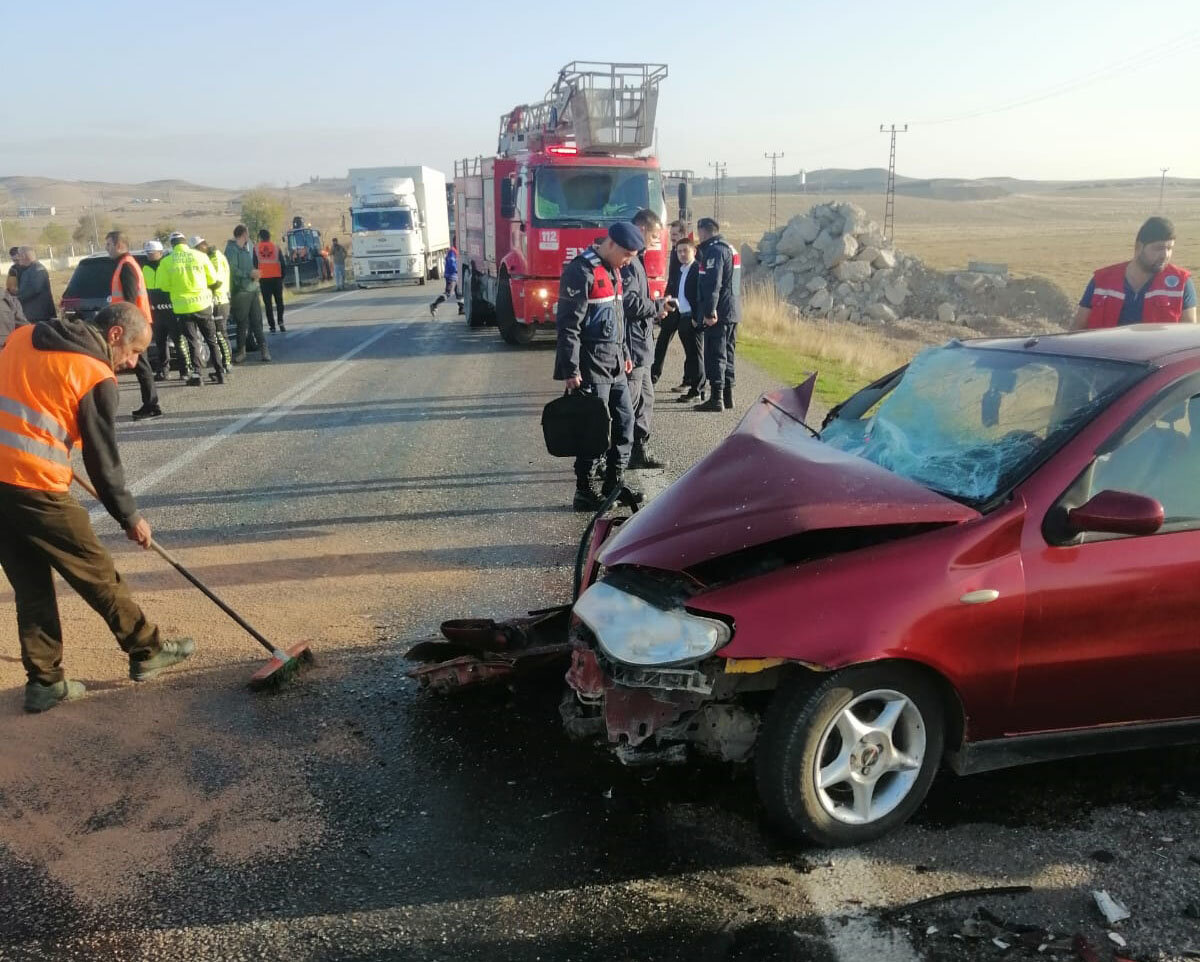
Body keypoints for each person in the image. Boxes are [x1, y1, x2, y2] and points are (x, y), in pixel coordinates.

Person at [0, 302, 195, 712]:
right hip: (35, 486)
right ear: (115, 334)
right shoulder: (94, 374)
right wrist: (129, 517)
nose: (133, 363)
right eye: (134, 351)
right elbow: (102, 461)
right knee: (97, 574)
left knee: (31, 587)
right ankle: (146, 649)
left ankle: (44, 683)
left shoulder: (22, 336)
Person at [555, 222, 645, 511]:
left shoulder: (613, 270)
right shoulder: (581, 271)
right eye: (627, 255)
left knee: (625, 423)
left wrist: (625, 352)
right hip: (591, 366)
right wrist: (571, 370)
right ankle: (585, 490)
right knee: (594, 431)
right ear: (611, 244)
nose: (628, 262)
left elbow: (618, 317)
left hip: (615, 364)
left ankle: (613, 484)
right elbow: (568, 325)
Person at [1072, 217, 1196, 329]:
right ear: (1138, 247)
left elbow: (1187, 337)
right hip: (1105, 348)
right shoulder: (1102, 281)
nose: (1165, 255)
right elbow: (1077, 330)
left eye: (1169, 248)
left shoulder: (1181, 284)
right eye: (1158, 248)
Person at [620, 209, 672, 470]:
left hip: (641, 344)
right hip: (633, 344)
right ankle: (616, 457)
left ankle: (637, 450)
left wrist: (656, 307)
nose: (655, 241)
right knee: (630, 403)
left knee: (644, 400)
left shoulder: (637, 261)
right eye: (653, 236)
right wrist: (656, 306)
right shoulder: (630, 264)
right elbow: (629, 303)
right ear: (641, 229)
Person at [104, 230, 161, 420]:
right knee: (140, 366)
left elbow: (129, 299)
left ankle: (152, 405)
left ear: (119, 245)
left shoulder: (126, 265)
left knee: (141, 365)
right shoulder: (125, 264)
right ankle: (150, 404)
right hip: (134, 323)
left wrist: (126, 325)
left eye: (109, 245)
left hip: (133, 325)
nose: (107, 249)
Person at [158, 232, 225, 387]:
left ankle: (197, 375)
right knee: (211, 340)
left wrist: (177, 287)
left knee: (192, 341)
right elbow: (212, 279)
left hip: (183, 308)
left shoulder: (166, 261)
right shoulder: (200, 256)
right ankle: (220, 373)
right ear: (185, 243)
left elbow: (163, 285)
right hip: (203, 304)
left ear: (172, 245)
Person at [694, 218, 742, 412]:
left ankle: (716, 399)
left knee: (715, 354)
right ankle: (728, 396)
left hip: (719, 312)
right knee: (728, 354)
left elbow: (713, 283)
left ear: (703, 231)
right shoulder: (730, 248)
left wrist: (709, 310)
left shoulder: (715, 251)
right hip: (732, 310)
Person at [142, 240, 191, 381]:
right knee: (160, 342)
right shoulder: (145, 268)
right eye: (148, 253)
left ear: (160, 252)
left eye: (152, 253)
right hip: (155, 311)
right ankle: (163, 371)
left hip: (171, 309)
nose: (150, 255)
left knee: (178, 341)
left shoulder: (168, 264)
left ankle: (185, 370)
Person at [651, 220, 689, 385]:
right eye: (670, 234)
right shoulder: (674, 251)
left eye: (675, 234)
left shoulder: (688, 254)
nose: (672, 238)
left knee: (689, 346)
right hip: (672, 302)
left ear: (683, 234)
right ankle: (654, 375)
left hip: (684, 305)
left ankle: (690, 380)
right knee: (663, 340)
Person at [225, 225, 270, 363]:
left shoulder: (245, 249)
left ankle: (264, 351)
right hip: (240, 292)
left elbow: (248, 267)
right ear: (244, 234)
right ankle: (241, 352)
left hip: (252, 289)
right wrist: (248, 274)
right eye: (247, 234)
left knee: (257, 322)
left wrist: (255, 275)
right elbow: (232, 270)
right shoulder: (231, 250)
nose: (248, 236)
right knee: (242, 323)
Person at [193, 237, 234, 380]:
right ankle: (224, 364)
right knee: (218, 334)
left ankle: (227, 364)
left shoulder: (215, 258)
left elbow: (216, 281)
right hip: (216, 300)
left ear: (202, 246)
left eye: (197, 249)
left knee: (221, 333)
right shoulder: (212, 256)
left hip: (219, 301)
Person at [670, 237, 705, 402]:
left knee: (696, 355)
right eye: (679, 251)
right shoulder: (681, 269)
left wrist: (696, 317)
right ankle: (692, 384)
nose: (682, 254)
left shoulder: (697, 269)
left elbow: (700, 295)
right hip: (682, 315)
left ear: (694, 251)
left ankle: (697, 390)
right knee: (690, 354)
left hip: (692, 316)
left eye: (685, 250)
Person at [256, 229, 286, 333]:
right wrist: (282, 277)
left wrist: (257, 278)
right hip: (276, 279)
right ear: (269, 237)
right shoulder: (276, 247)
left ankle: (272, 326)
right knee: (279, 302)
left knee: (268, 304)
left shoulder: (256, 249)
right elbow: (283, 264)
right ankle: (281, 322)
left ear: (260, 237)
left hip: (264, 280)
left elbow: (254, 265)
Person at [16, 247, 56, 323]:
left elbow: (35, 289)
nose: (17, 258)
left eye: (19, 255)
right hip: (34, 314)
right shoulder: (29, 269)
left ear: (23, 256)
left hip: (40, 315)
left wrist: (16, 299)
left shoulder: (38, 269)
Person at [429, 246, 462, 316]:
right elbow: (452, 264)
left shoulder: (456, 251)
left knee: (459, 293)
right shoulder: (452, 251)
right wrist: (457, 269)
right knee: (448, 293)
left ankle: (462, 308)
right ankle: (434, 305)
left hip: (456, 276)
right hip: (451, 276)